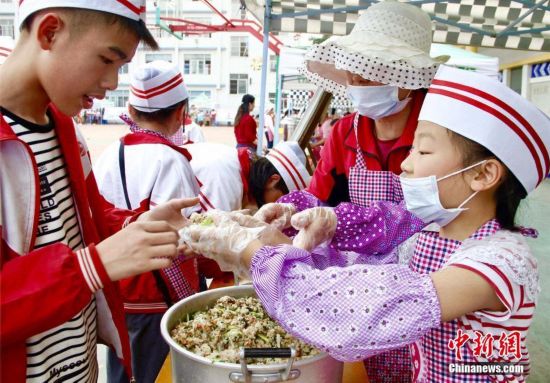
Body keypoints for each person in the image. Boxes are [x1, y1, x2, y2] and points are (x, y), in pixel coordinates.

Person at [182, 66, 550, 382]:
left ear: (483, 174)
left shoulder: (497, 265)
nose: (407, 164)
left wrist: (252, 251)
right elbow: (361, 274)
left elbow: (355, 311)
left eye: (422, 151)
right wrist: (300, 233)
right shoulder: (432, 232)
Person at [0, 2, 198, 382]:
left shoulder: (65, 130)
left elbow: (87, 220)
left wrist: (136, 225)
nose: (113, 83)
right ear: (50, 32)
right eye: (108, 59)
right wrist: (92, 266)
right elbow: (89, 260)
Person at [93, 61, 207, 383]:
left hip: (118, 287)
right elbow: (183, 236)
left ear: (130, 108)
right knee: (155, 373)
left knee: (122, 368)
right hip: (158, 297)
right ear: (180, 113)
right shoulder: (170, 159)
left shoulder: (109, 154)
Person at [184, 141, 311, 212]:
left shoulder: (234, 161)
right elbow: (206, 236)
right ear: (273, 180)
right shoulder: (229, 181)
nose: (277, 205)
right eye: (280, 199)